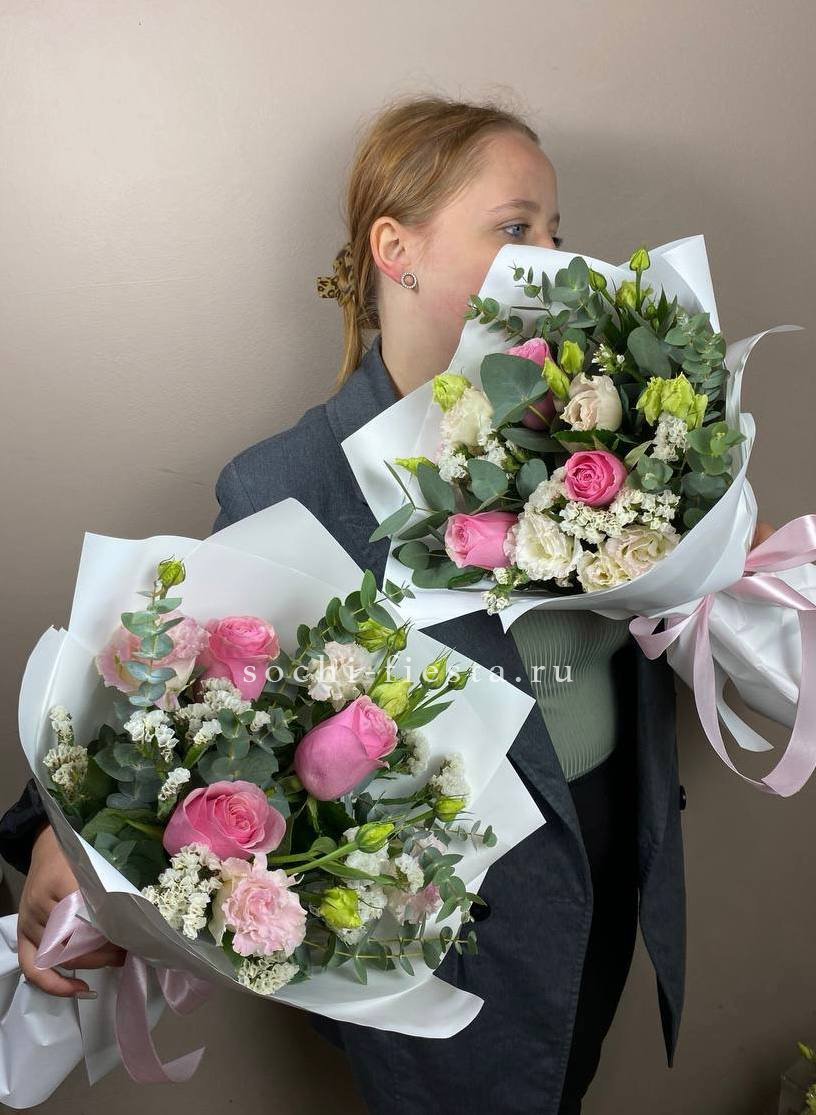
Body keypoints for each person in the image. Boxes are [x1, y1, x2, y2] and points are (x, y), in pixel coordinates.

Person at [0, 93, 776, 1113]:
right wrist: (60, 837)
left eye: (558, 230)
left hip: (607, 861)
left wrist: (727, 559)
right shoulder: (289, 480)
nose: (557, 258)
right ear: (395, 249)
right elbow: (176, 693)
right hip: (447, 940)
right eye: (516, 228)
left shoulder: (595, 423)